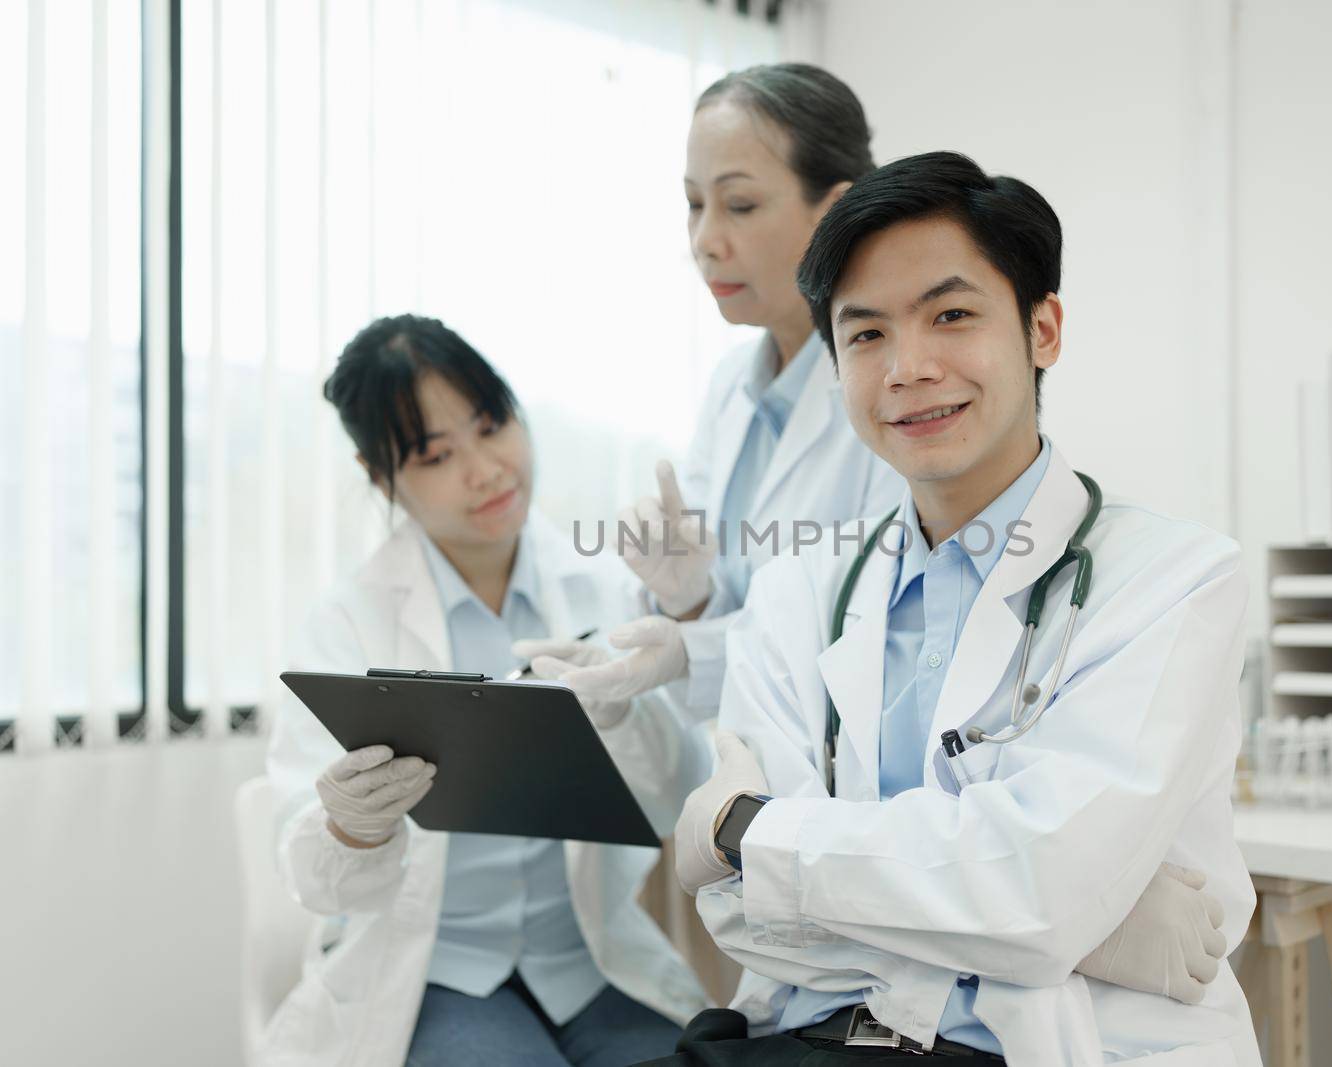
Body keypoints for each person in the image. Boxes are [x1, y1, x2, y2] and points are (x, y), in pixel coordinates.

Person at [655, 153, 1260, 1065]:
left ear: (1042, 329)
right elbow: (739, 914)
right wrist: (1082, 925)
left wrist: (746, 829)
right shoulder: (798, 594)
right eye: (865, 335)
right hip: (815, 1036)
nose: (908, 367)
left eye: (951, 315)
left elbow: (1042, 889)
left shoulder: (1175, 581)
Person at [263, 315, 708, 1067]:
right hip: (436, 972)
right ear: (384, 479)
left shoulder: (601, 586)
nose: (486, 469)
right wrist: (352, 826)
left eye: (492, 425)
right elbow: (315, 877)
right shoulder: (349, 622)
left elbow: (673, 800)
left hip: (590, 961)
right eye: (437, 454)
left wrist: (632, 702)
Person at [529, 63, 899, 719]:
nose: (705, 241)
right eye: (695, 204)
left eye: (741, 205)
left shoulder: (896, 388)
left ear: (835, 208)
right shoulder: (731, 386)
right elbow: (717, 607)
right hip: (732, 770)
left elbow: (867, 629)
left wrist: (689, 649)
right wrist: (682, 602)